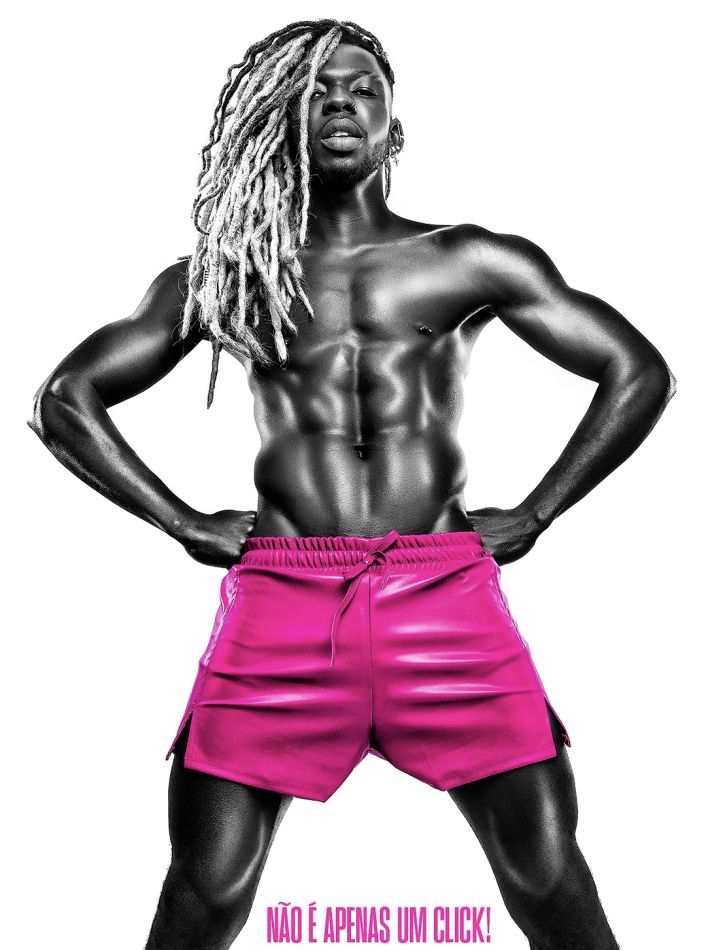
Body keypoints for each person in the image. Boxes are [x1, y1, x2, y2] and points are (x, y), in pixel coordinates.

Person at [28, 18, 675, 950]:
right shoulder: (229, 274)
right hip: (282, 598)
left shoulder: (469, 258)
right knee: (207, 890)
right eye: (317, 90)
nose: (341, 101)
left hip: (446, 593)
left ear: (393, 125)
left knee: (545, 878)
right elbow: (66, 398)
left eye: (363, 87)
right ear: (281, 119)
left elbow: (636, 370)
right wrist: (179, 521)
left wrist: (538, 512)